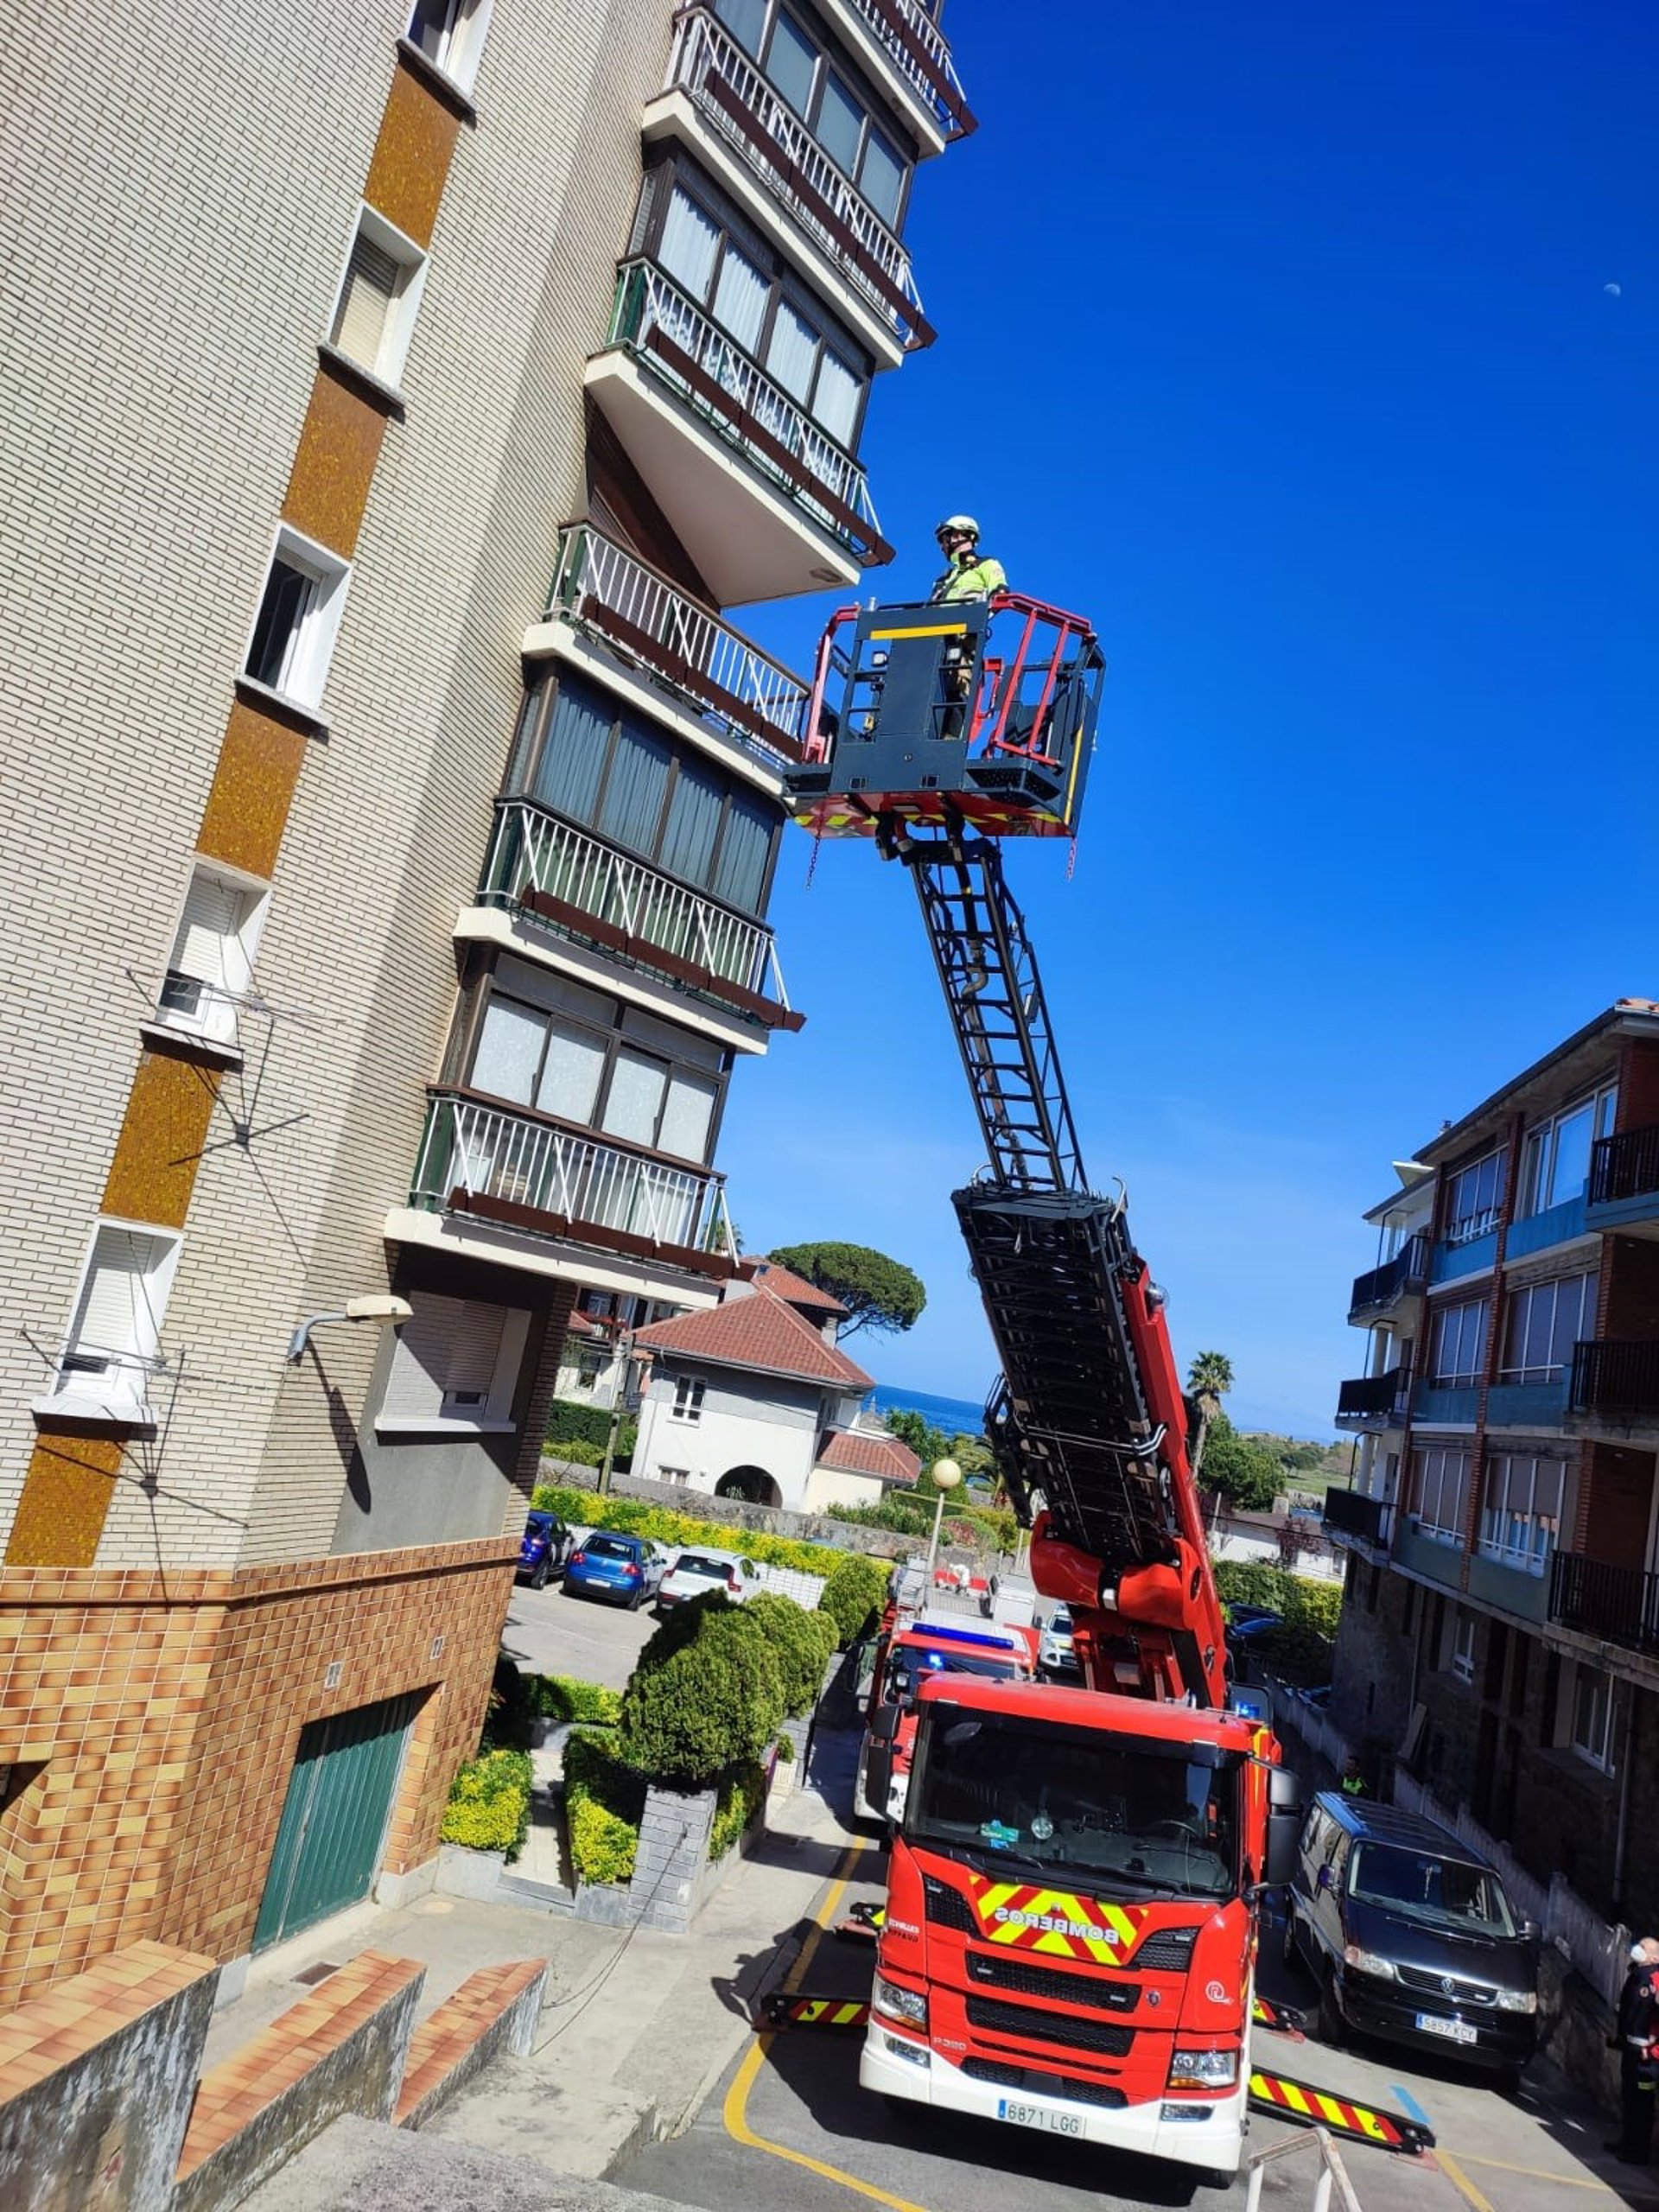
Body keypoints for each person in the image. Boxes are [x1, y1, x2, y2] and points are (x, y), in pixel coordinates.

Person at [1608, 1939, 1659, 2162]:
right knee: (1630, 2098)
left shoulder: (1655, 1979)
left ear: (1655, 1957)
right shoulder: (1637, 1975)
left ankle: (1639, 2151)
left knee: (1642, 2102)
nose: (1637, 1949)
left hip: (1647, 2058)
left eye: (1643, 1948)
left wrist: (1652, 2045)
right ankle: (1627, 2143)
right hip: (1631, 2049)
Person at [929, 515, 1007, 603]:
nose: (942, 548)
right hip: (944, 613)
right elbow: (928, 609)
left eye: (945, 540)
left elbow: (1000, 595)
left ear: (958, 535)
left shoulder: (987, 564)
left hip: (972, 612)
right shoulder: (943, 580)